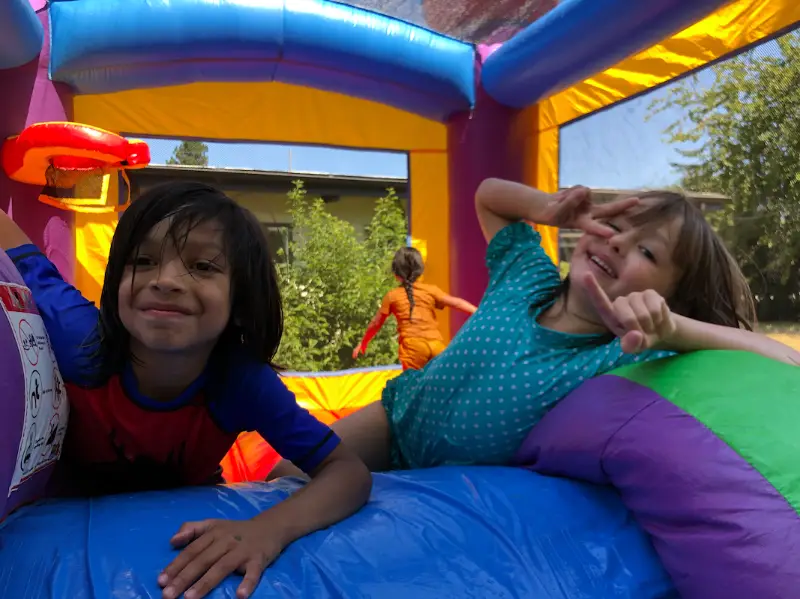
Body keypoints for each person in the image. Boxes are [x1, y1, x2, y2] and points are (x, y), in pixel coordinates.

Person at [269, 179, 800, 480]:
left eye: (647, 251)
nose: (617, 242)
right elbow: (486, 195)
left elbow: (784, 359)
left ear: (669, 295)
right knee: (281, 480)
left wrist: (675, 327)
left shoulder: (624, 351)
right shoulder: (528, 275)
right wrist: (547, 208)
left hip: (452, 483)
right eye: (613, 225)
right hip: (396, 420)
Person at [0, 182, 372, 599]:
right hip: (65, 522)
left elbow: (347, 472)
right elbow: (18, 246)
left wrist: (267, 531)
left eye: (203, 266)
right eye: (143, 260)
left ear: (241, 300)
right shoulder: (80, 343)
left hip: (184, 510)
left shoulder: (239, 383)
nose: (165, 280)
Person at [353, 246, 477, 371]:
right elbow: (457, 303)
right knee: (441, 379)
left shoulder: (392, 296)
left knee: (411, 381)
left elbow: (376, 323)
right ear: (420, 270)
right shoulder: (431, 290)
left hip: (413, 348)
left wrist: (364, 342)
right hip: (436, 345)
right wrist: (478, 312)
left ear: (396, 274)